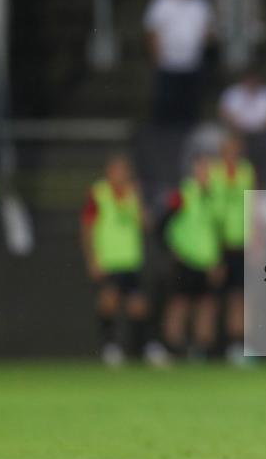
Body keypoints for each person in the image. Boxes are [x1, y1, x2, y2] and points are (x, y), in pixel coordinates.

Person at [81, 155, 166, 366]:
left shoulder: (132, 194)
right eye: (117, 170)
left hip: (130, 260)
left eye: (125, 171)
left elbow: (146, 224)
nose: (122, 175)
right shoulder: (99, 193)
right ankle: (110, 347)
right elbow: (87, 227)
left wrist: (138, 200)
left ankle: (148, 346)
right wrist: (92, 259)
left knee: (138, 306)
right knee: (109, 302)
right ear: (109, 172)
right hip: (109, 260)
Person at [160, 157, 223, 359]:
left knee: (206, 305)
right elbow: (163, 224)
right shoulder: (183, 194)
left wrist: (218, 260)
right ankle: (172, 346)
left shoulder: (215, 196)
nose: (205, 174)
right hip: (186, 259)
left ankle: (200, 349)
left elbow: (219, 231)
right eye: (202, 170)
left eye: (209, 170)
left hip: (208, 261)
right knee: (180, 303)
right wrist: (174, 250)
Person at [208, 136, 256, 363]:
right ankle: (203, 348)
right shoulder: (212, 173)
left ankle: (236, 347)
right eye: (228, 150)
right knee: (210, 298)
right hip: (215, 244)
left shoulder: (246, 172)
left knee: (239, 297)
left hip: (241, 243)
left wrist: (255, 240)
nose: (232, 155)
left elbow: (253, 205)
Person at [144, 0, 214, 126]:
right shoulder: (162, 1)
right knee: (167, 101)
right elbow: (153, 31)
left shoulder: (200, 2)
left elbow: (208, 30)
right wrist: (157, 56)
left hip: (192, 61)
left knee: (190, 102)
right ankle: (164, 132)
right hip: (168, 61)